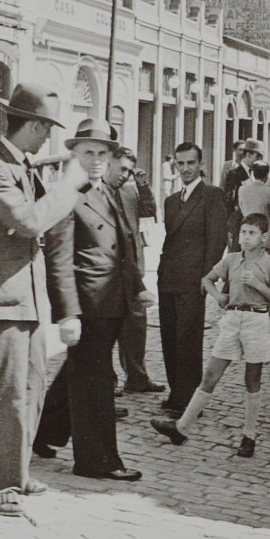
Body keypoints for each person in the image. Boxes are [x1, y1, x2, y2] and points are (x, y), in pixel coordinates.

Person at [0, 83, 87, 517]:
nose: (48, 137)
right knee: (7, 394)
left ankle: (12, 472)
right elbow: (31, 221)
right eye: (46, 128)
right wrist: (69, 185)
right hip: (5, 297)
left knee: (30, 390)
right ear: (32, 125)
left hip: (28, 297)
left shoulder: (23, 165)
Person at [32, 119, 145, 482]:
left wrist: (137, 286)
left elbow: (124, 244)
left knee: (79, 372)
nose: (96, 160)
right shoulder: (67, 194)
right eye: (87, 153)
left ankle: (43, 432)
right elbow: (59, 259)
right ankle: (97, 460)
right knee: (95, 382)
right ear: (74, 155)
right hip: (89, 304)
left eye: (102, 153)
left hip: (112, 299)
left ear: (111, 156)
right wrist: (68, 315)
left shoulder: (108, 189)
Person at [150, 213, 270, 457]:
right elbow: (207, 279)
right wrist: (218, 296)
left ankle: (249, 435)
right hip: (233, 319)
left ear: (264, 238)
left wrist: (257, 284)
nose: (245, 237)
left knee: (252, 378)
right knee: (211, 374)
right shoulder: (232, 260)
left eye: (252, 233)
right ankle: (181, 428)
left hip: (257, 320)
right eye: (243, 232)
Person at [157, 142, 229, 416]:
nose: (185, 168)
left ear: (201, 164)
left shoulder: (212, 195)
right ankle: (176, 393)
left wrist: (207, 277)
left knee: (188, 339)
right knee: (169, 337)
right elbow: (169, 242)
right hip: (168, 278)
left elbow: (217, 239)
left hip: (193, 280)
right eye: (181, 163)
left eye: (190, 163)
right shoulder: (171, 200)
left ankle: (188, 401)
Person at [106, 147, 165, 396]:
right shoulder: (97, 192)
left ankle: (137, 378)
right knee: (107, 327)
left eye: (129, 171)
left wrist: (143, 186)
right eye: (122, 168)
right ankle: (107, 383)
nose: (125, 175)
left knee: (136, 324)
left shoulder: (130, 190)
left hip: (132, 268)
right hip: (108, 271)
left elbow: (150, 211)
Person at [224, 139, 262, 249]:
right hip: (238, 224)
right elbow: (229, 200)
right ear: (248, 155)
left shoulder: (254, 174)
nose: (259, 160)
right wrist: (230, 226)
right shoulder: (235, 174)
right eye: (257, 156)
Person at [238, 161, 270, 252]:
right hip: (264, 235)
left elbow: (242, 209)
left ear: (252, 174)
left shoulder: (242, 190)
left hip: (247, 233)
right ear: (267, 175)